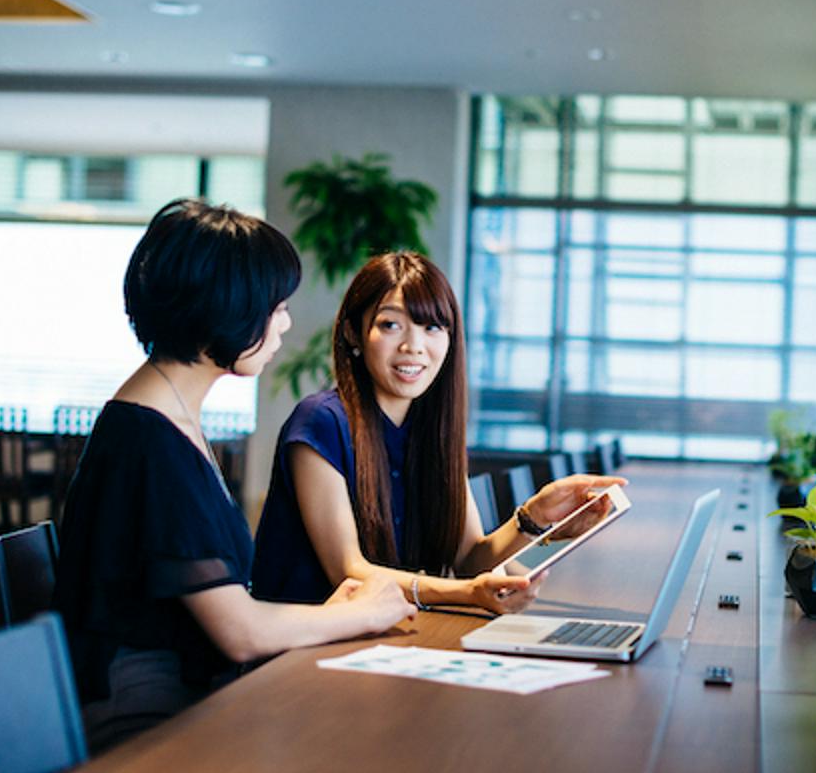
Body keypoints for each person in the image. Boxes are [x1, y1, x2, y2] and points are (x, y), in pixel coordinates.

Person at [53, 200, 415, 752]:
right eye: (277, 307)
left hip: (191, 692)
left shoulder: (163, 418)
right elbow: (239, 633)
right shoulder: (150, 441)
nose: (285, 323)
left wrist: (334, 615)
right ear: (229, 308)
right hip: (150, 720)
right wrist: (362, 615)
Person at [251, 251, 625, 613]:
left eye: (431, 327)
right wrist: (466, 594)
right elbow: (349, 571)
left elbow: (469, 560)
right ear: (353, 333)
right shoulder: (320, 421)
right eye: (390, 325)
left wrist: (534, 517)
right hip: (303, 642)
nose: (413, 346)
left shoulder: (431, 430)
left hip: (386, 632)